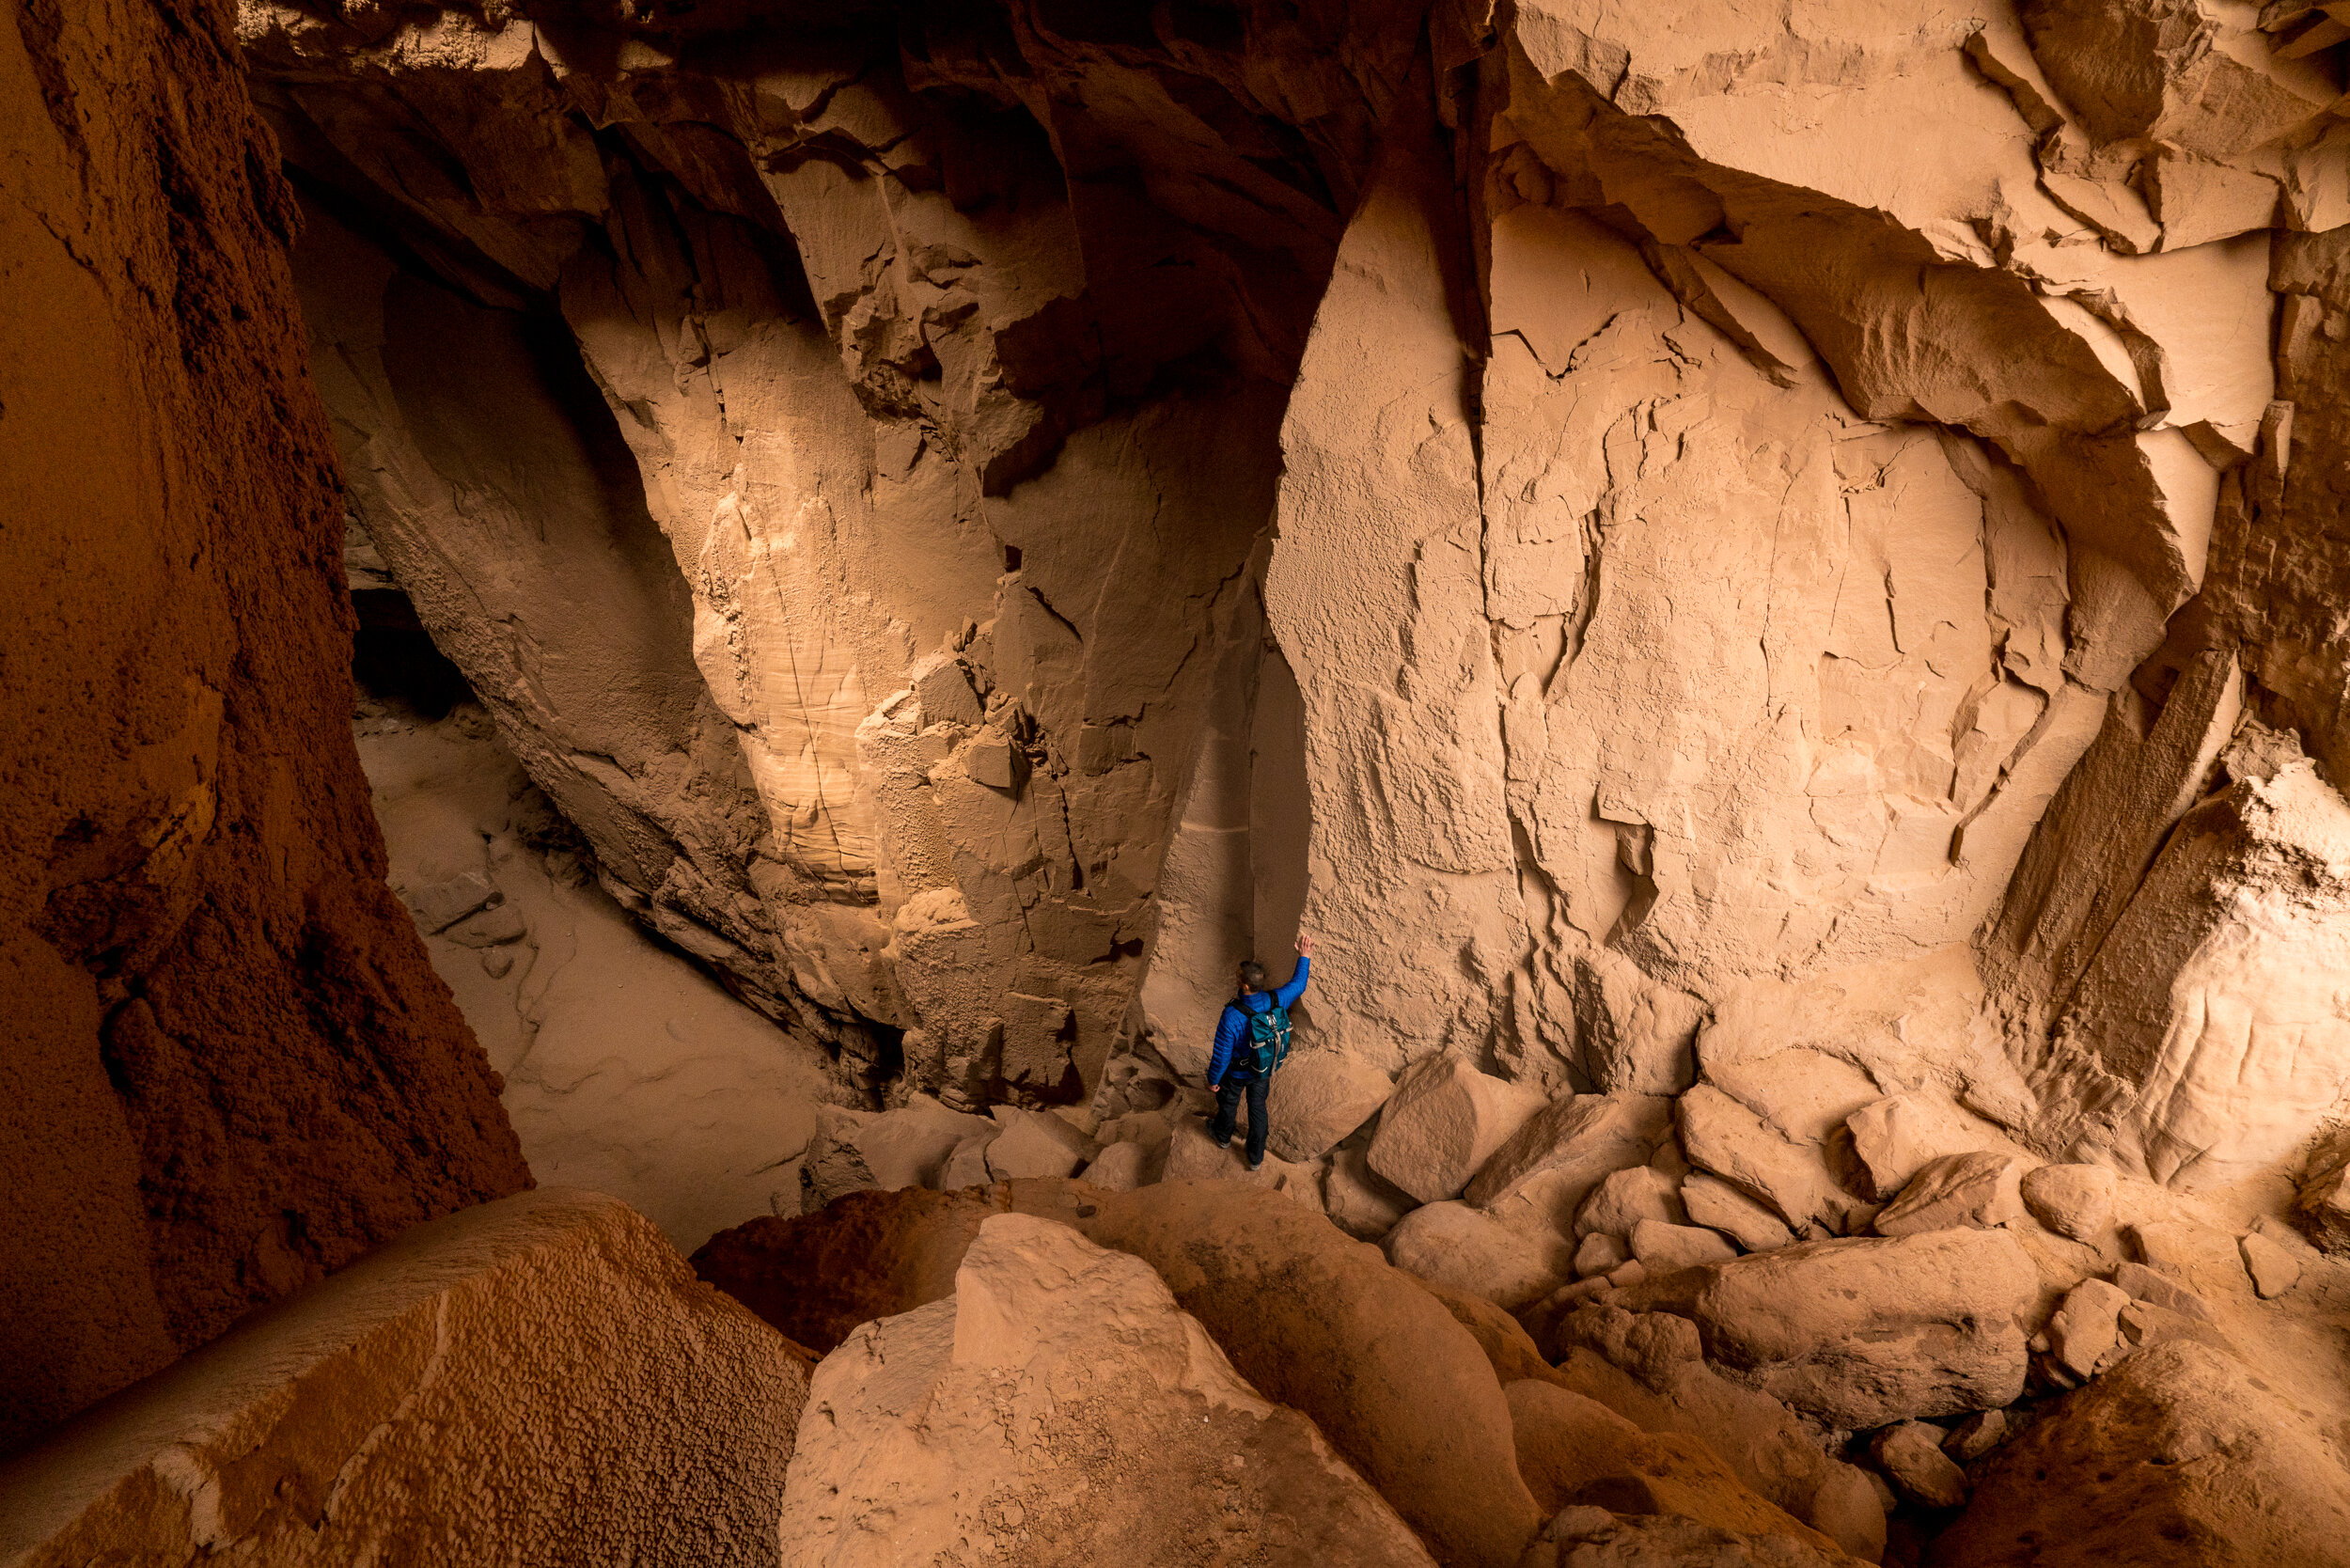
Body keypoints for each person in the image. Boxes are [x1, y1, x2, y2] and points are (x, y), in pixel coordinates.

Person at [1206, 932, 1314, 1170]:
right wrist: (1304, 956)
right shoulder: (1277, 1000)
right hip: (1262, 1068)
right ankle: (1255, 1158)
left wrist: (1214, 1080)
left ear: (1245, 985)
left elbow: (1222, 1053)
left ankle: (1222, 1136)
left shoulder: (1232, 1015)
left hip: (1236, 1073)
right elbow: (1299, 985)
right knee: (1258, 1110)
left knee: (1228, 1103)